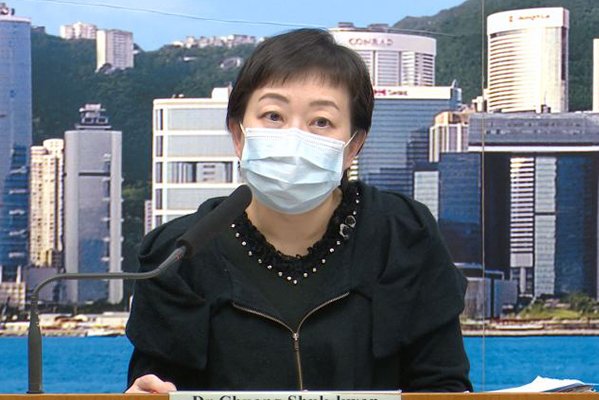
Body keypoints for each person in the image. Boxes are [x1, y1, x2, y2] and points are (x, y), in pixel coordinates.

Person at [125, 28, 472, 393]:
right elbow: (153, 385)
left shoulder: (405, 236)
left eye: (321, 121)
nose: (294, 137)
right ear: (238, 134)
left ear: (354, 146)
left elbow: (443, 385)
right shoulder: (177, 254)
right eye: (273, 115)